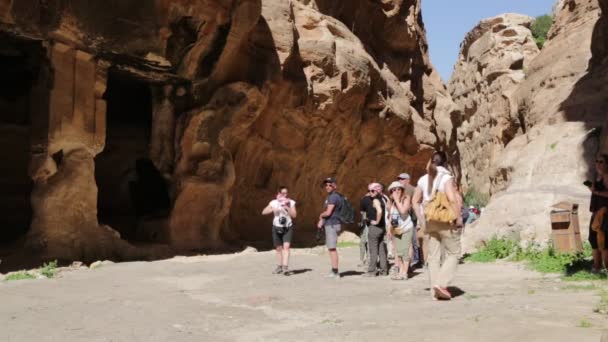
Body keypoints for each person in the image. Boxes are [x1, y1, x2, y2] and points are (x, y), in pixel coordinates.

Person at [412, 151, 463, 300]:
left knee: (433, 256)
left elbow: (415, 201)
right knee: (454, 253)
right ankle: (441, 284)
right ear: (445, 162)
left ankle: (435, 292)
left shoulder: (423, 179)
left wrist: (421, 220)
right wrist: (458, 217)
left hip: (430, 221)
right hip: (444, 220)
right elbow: (452, 199)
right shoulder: (446, 178)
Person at [262, 186, 297, 275]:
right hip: (276, 227)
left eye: (286, 193)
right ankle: (279, 267)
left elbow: (294, 215)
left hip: (287, 227)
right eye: (283, 193)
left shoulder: (291, 202)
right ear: (279, 193)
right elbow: (263, 212)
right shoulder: (274, 202)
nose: (285, 195)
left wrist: (287, 207)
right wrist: (273, 209)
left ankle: (285, 267)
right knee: (278, 248)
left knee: (286, 247)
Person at [387, 181, 414, 280]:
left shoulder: (406, 198)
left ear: (402, 190)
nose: (397, 191)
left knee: (405, 250)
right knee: (398, 252)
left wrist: (397, 200)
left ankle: (404, 273)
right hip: (396, 228)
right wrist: (389, 229)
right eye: (394, 190)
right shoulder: (393, 202)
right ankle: (401, 271)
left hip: (406, 228)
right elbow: (391, 216)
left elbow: (403, 211)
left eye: (399, 189)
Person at [318, 177, 342, 278]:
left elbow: (328, 212)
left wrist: (320, 216)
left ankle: (335, 272)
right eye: (326, 185)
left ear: (335, 186)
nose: (327, 187)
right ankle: (334, 270)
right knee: (331, 248)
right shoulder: (332, 196)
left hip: (332, 224)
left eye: (330, 185)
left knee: (332, 248)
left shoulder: (333, 197)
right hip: (332, 223)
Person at [363, 183, 389, 277]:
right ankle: (384, 270)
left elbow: (380, 211)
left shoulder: (376, 200)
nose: (370, 193)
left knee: (373, 249)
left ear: (377, 191)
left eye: (372, 191)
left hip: (375, 228)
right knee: (381, 249)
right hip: (382, 228)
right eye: (369, 190)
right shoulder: (383, 199)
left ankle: (372, 271)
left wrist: (376, 221)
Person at [588, 154, 608, 273]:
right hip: (596, 213)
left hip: (605, 214)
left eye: (601, 162)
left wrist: (595, 191)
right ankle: (597, 267)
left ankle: (605, 269)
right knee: (593, 240)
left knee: (605, 243)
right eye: (597, 161)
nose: (598, 164)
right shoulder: (599, 177)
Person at [398, 172, 421, 267]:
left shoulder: (411, 189)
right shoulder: (401, 189)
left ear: (408, 180)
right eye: (399, 178)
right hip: (404, 217)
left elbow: (416, 203)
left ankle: (416, 259)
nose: (400, 180)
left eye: (402, 179)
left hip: (411, 217)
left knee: (413, 239)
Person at [358, 188, 373, 267]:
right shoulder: (364, 199)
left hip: (371, 224)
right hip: (364, 224)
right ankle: (362, 260)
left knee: (369, 243)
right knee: (362, 242)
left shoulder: (374, 200)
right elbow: (361, 212)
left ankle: (369, 259)